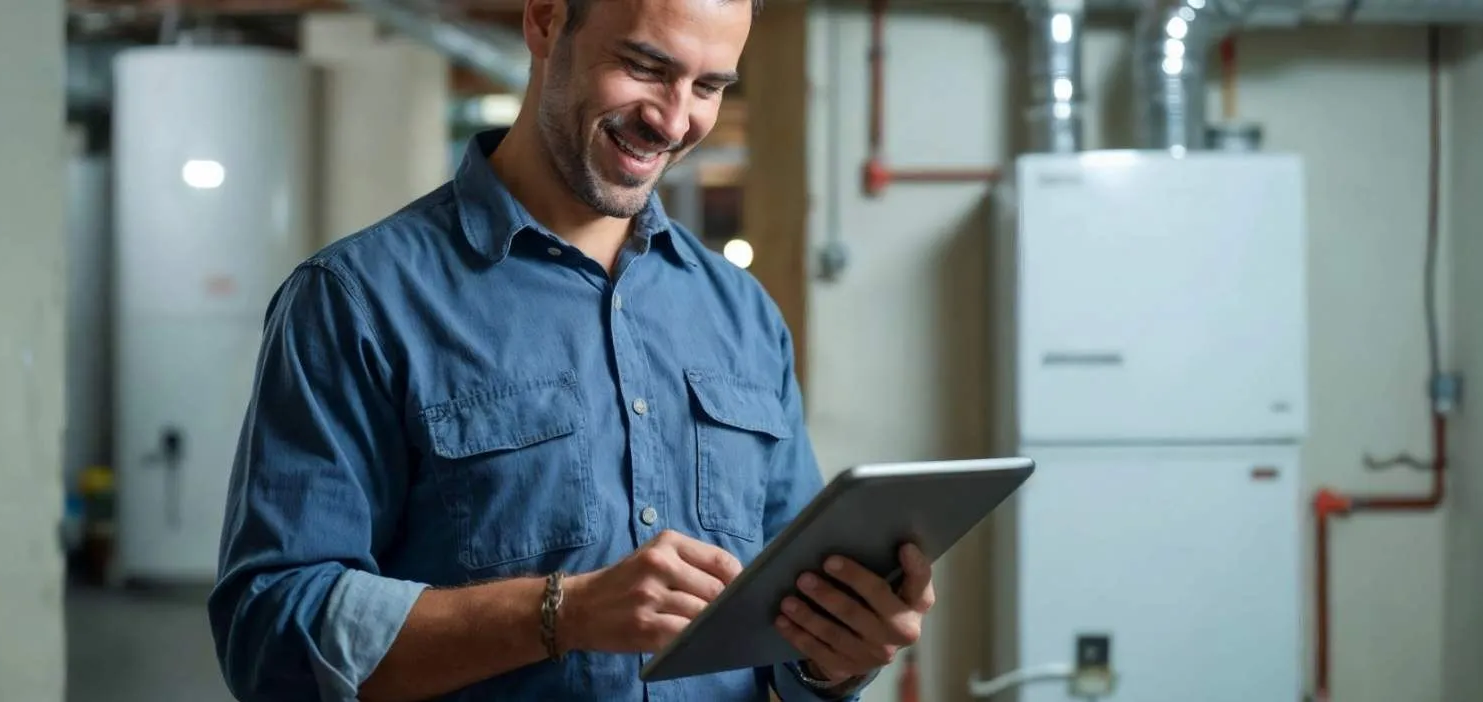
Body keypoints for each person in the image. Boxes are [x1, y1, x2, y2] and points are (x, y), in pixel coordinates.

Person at [206, 0, 936, 698]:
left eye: (709, 86)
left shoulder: (743, 315)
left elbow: (784, 617)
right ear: (545, 20)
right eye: (646, 66)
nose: (674, 120)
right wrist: (564, 612)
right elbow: (269, 631)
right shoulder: (354, 300)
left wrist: (834, 661)